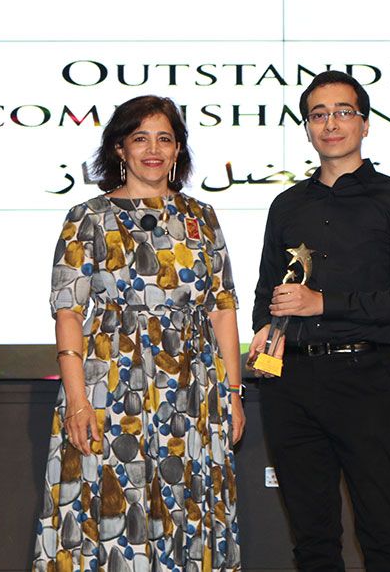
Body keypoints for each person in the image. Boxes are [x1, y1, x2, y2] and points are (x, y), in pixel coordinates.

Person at [33, 95, 244, 572]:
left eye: (164, 139)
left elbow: (222, 308)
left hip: (193, 390)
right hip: (111, 385)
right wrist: (78, 401)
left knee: (189, 505)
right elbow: (68, 312)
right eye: (140, 138)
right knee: (113, 501)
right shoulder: (88, 217)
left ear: (178, 150)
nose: (153, 150)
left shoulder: (202, 217)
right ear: (119, 149)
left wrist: (233, 394)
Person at [248, 70, 390, 571]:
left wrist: (322, 303)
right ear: (308, 128)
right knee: (312, 540)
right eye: (319, 114)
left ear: (365, 124)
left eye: (343, 112)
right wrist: (264, 329)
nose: (331, 123)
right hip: (290, 383)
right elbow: (267, 292)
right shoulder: (286, 205)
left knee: (383, 534)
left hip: (364, 379)